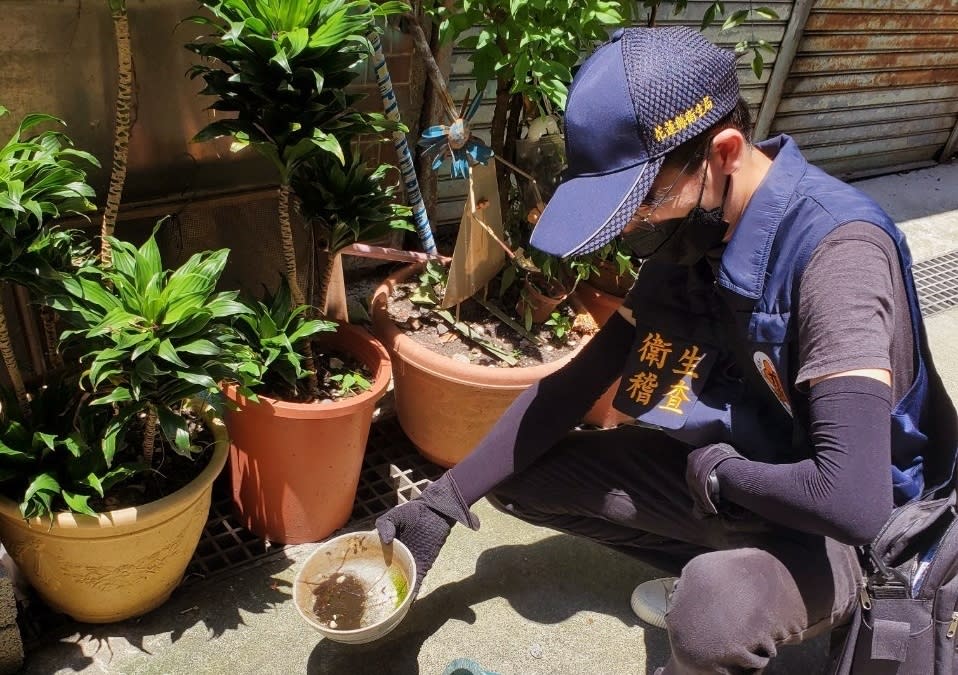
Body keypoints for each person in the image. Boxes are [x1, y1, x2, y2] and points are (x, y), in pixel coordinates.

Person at [375, 26, 956, 674]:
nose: (632, 224)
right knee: (517, 474)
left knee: (711, 613)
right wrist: (444, 500)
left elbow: (854, 499)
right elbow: (572, 383)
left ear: (726, 151)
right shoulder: (695, 238)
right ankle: (731, 563)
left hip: (851, 532)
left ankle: (735, 593)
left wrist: (718, 473)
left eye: (645, 198)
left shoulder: (837, 257)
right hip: (743, 474)